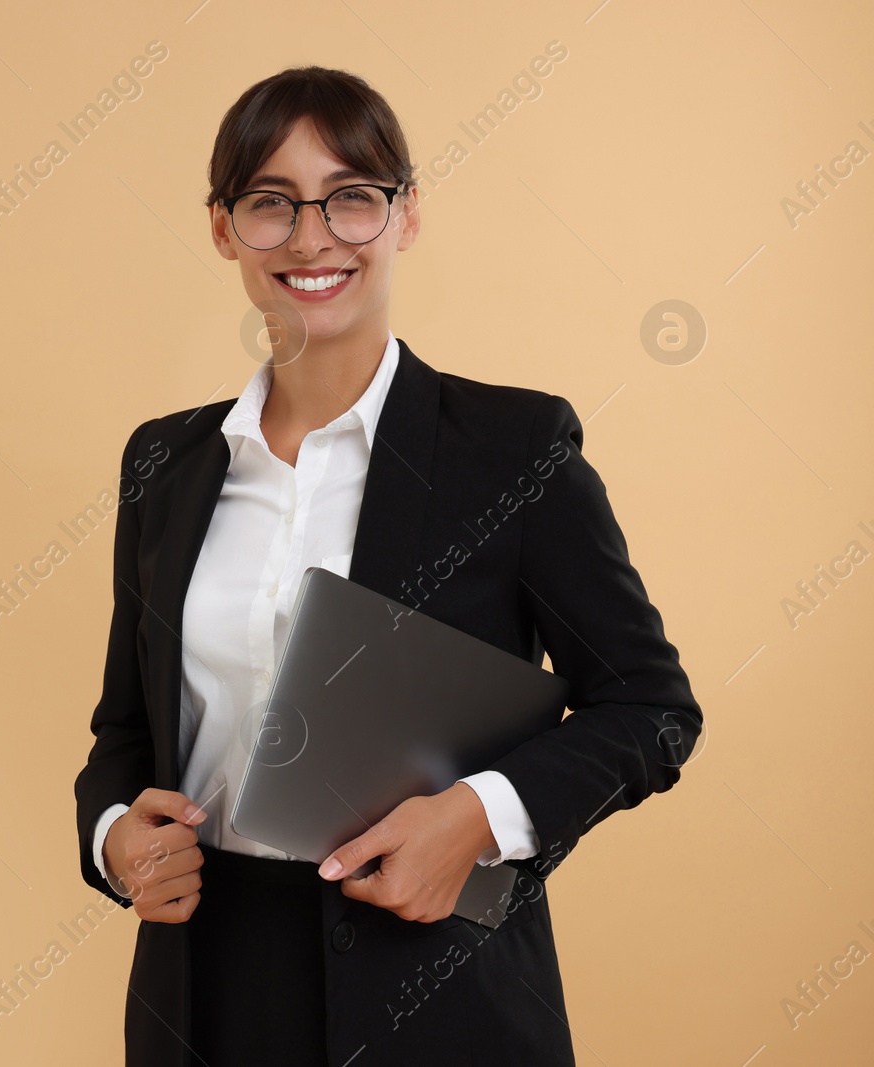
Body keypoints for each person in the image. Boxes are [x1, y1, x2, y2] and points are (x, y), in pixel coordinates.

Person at [72, 65, 703, 1066]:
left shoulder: (511, 449)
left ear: (404, 216)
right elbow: (127, 727)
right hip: (203, 992)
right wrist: (112, 834)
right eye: (271, 203)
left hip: (438, 992)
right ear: (221, 226)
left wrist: (475, 817)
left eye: (351, 199)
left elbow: (651, 707)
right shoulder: (164, 461)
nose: (312, 237)